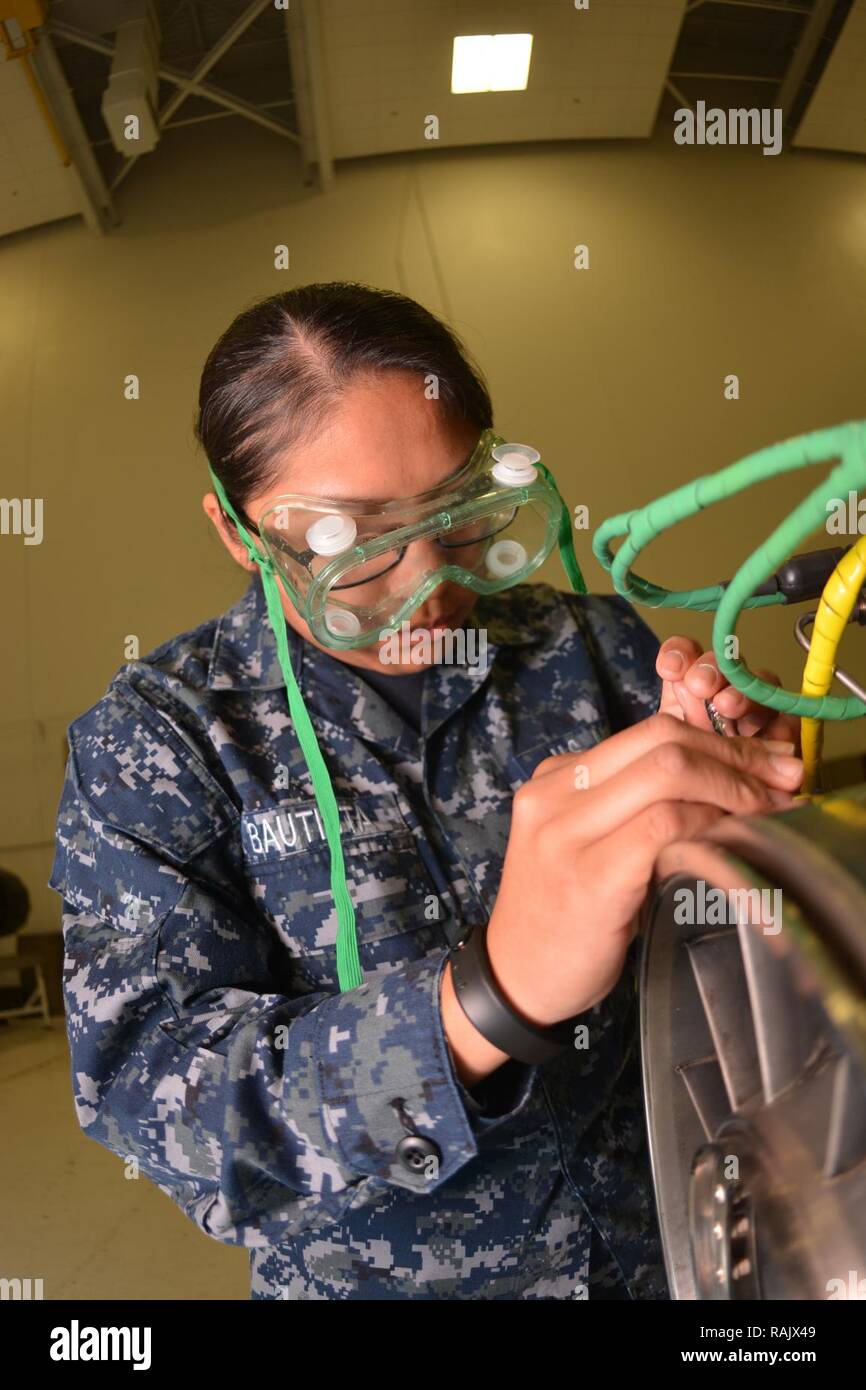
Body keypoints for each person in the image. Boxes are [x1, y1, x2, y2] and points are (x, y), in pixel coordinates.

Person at [50, 282, 802, 1300]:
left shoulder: (589, 649)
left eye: (456, 515)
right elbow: (164, 1108)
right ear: (239, 533)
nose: (426, 583)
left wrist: (740, 815)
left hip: (670, 1257)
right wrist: (486, 997)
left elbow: (732, 981)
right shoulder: (163, 740)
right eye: (353, 548)